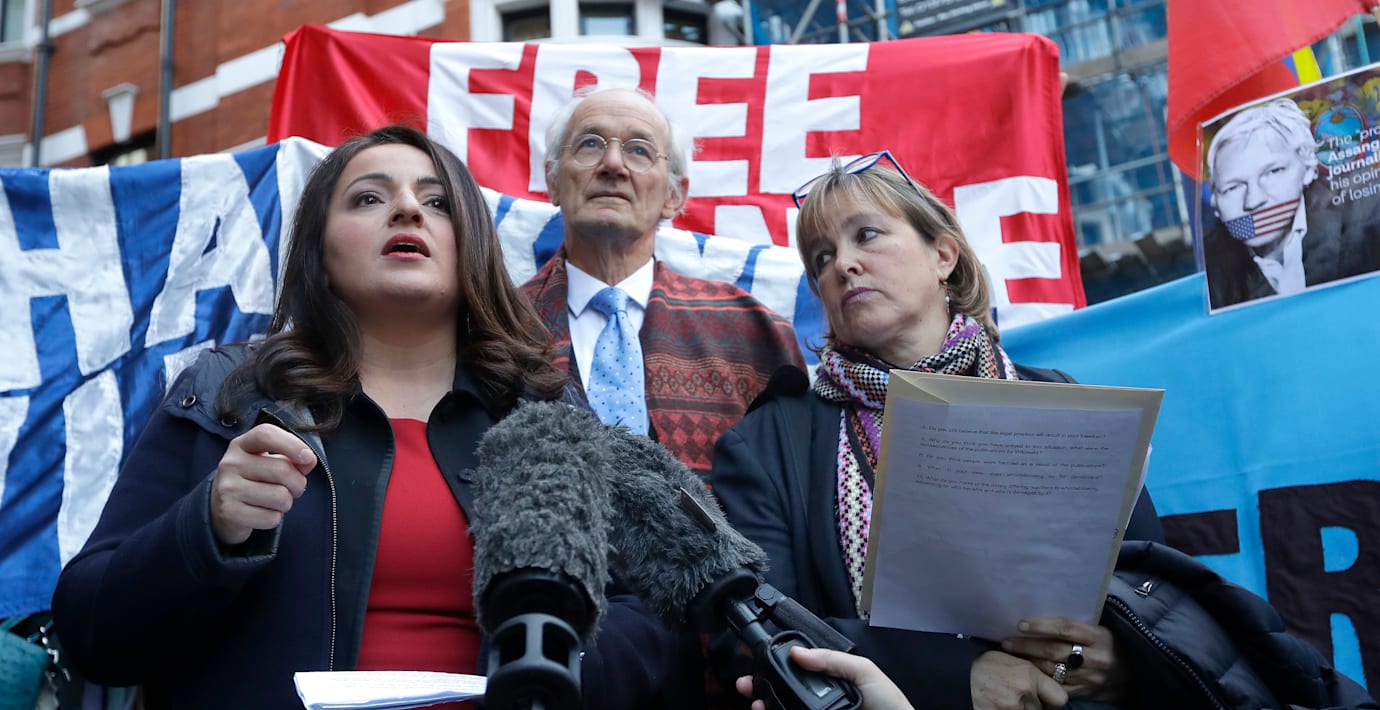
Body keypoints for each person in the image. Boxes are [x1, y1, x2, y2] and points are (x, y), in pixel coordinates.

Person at [50, 126, 679, 709]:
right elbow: (90, 630)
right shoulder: (229, 395)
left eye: (437, 203)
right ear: (320, 253)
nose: (407, 211)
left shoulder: (542, 412)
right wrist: (207, 527)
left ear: (473, 247)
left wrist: (556, 658)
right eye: (369, 198)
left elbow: (647, 621)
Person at [709, 152, 1165, 709]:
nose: (843, 264)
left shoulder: (1062, 400)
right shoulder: (767, 444)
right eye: (822, 257)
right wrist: (956, 677)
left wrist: (1116, 663)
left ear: (943, 255)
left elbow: (1154, 591)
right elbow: (755, 632)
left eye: (867, 235)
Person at [522, 87, 805, 476]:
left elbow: (796, 485)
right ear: (553, 181)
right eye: (590, 144)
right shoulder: (494, 325)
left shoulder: (756, 334)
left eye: (639, 151)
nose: (613, 164)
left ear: (674, 195)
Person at [1202, 98, 1380, 310]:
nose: (1253, 201)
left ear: (1308, 169)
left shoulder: (1363, 225)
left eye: (1273, 171)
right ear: (1215, 201)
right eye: (1233, 188)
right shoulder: (1212, 271)